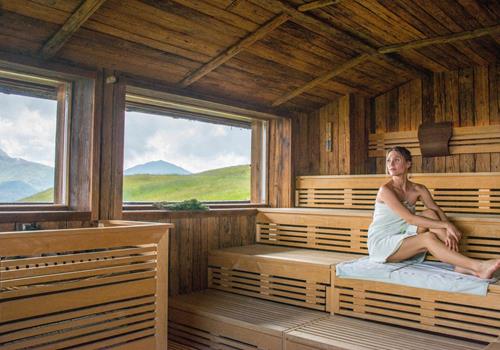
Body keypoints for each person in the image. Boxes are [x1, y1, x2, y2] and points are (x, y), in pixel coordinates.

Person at [368, 146, 500, 279]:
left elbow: (436, 210)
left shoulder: (418, 189)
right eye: (388, 160)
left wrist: (449, 227)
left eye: (396, 160)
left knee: (430, 213)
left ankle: (460, 264)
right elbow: (411, 219)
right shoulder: (385, 190)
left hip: (402, 234)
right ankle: (478, 267)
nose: (391, 164)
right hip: (382, 243)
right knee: (428, 237)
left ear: (408, 164)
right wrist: (446, 226)